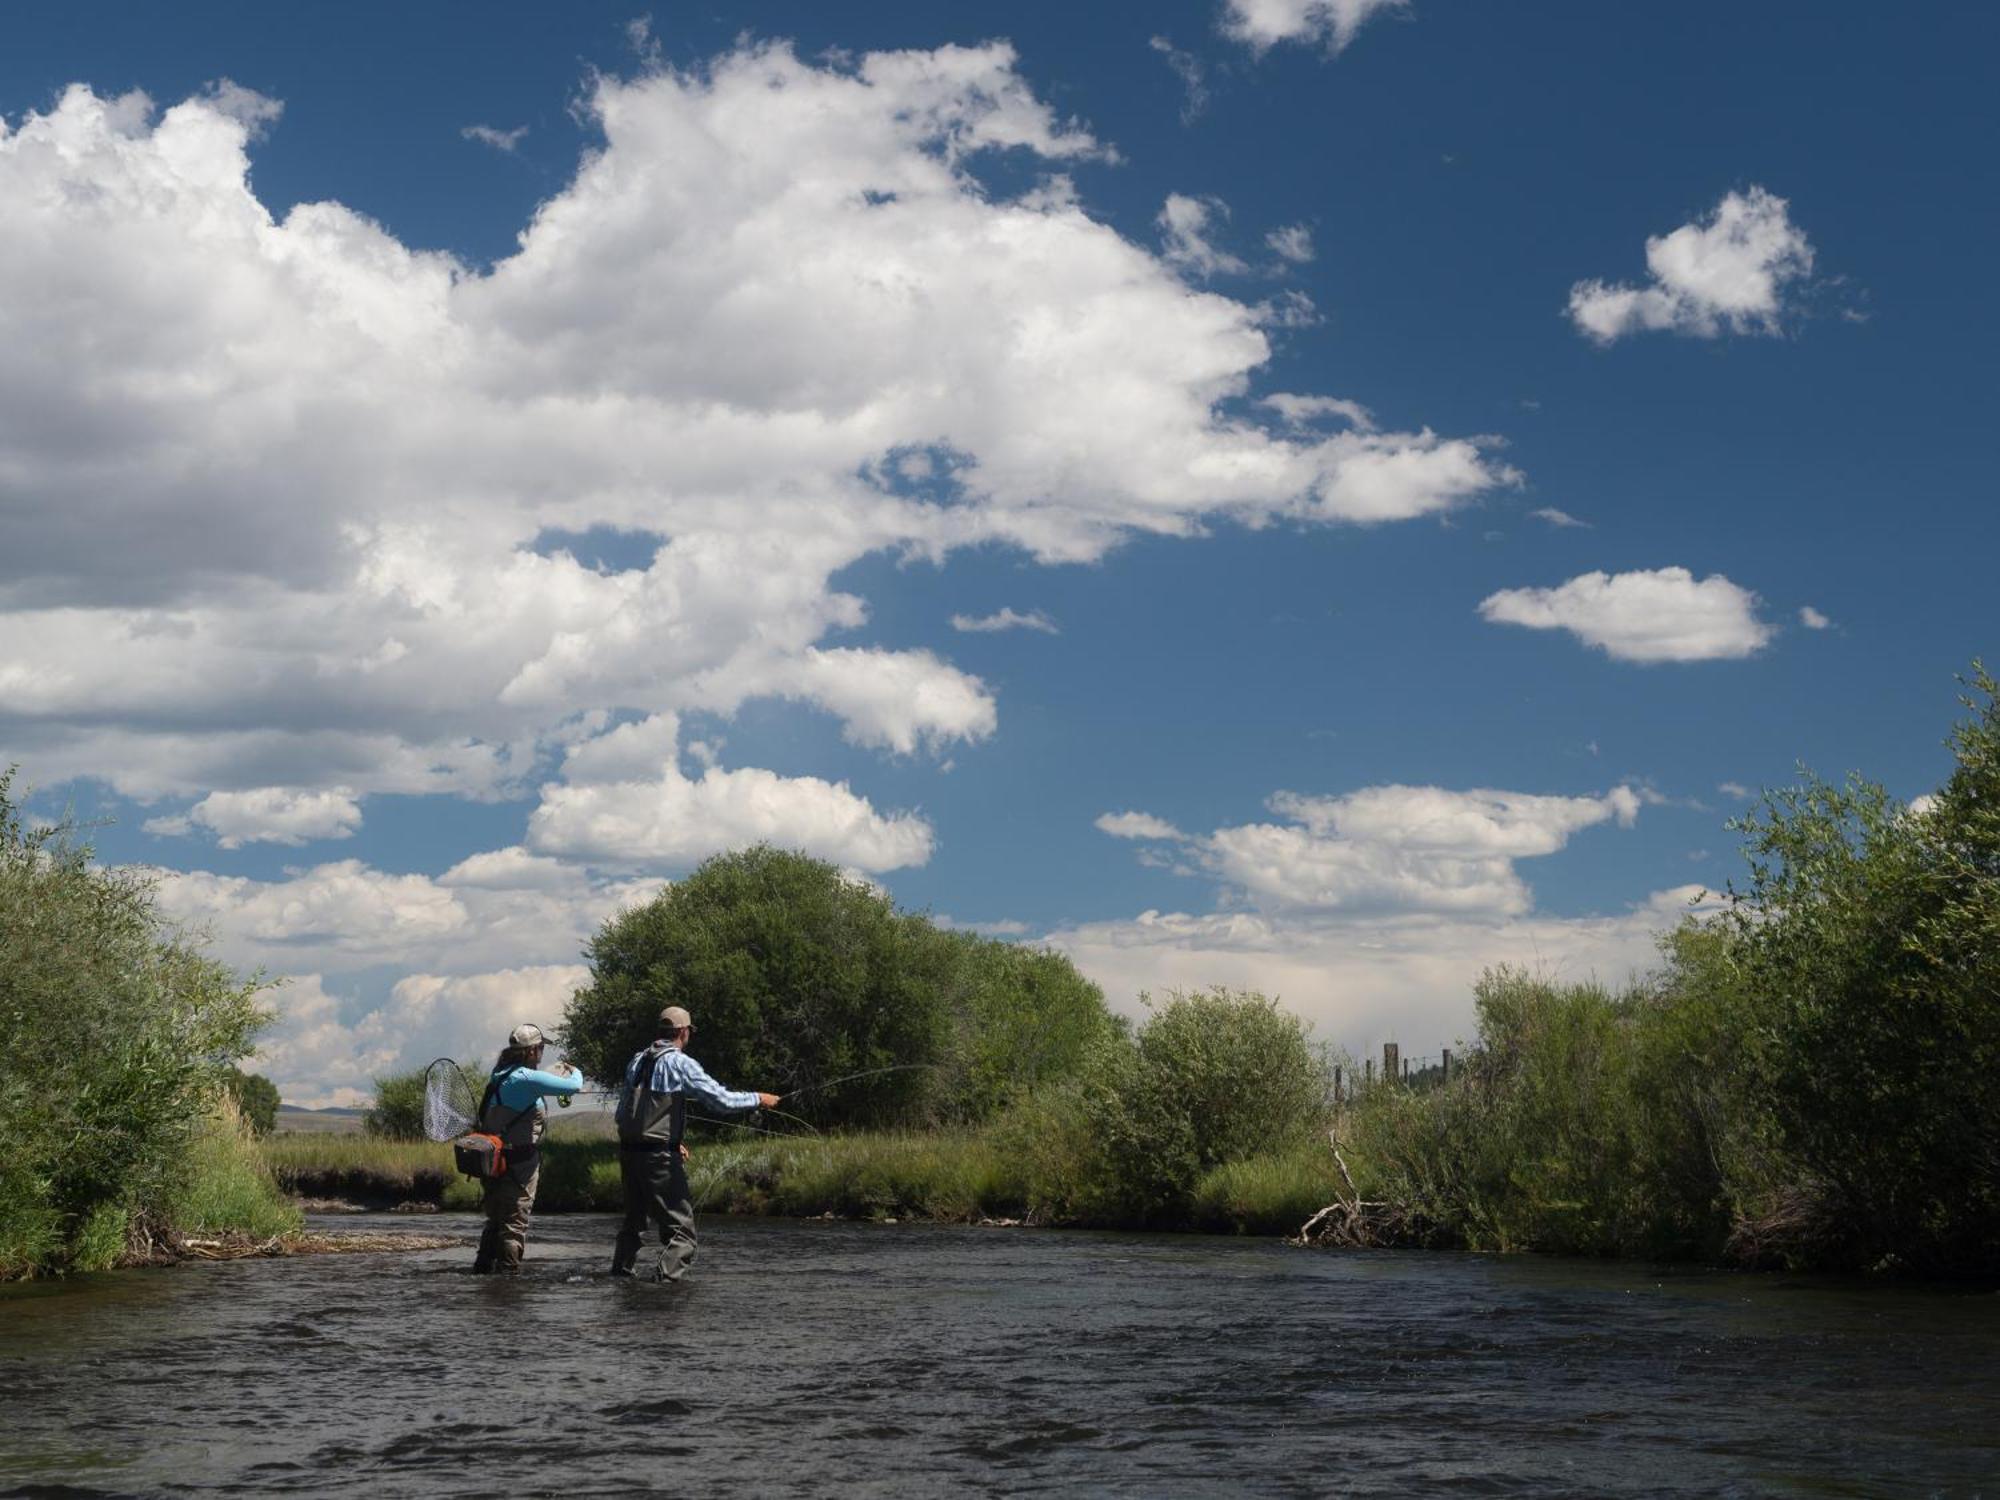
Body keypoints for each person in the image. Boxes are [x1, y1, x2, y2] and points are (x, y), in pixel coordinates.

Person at [611, 1005, 779, 1282]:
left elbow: (624, 1112)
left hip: (630, 1154)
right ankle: (664, 1287)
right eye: (689, 1031)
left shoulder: (637, 1060)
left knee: (633, 1224)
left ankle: (619, 1279)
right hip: (658, 1159)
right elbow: (720, 1100)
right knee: (682, 1234)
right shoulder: (679, 1062)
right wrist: (758, 1098)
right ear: (682, 1031)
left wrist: (670, 1140)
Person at [471, 1023, 582, 1276]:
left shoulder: (499, 1074)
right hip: (519, 1165)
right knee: (514, 1224)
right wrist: (574, 1069)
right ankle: (508, 1279)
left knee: (495, 1221)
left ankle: (482, 1272)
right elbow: (574, 1085)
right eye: (541, 1048)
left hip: (493, 1162)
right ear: (532, 1051)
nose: (542, 1052)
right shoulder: (526, 1078)